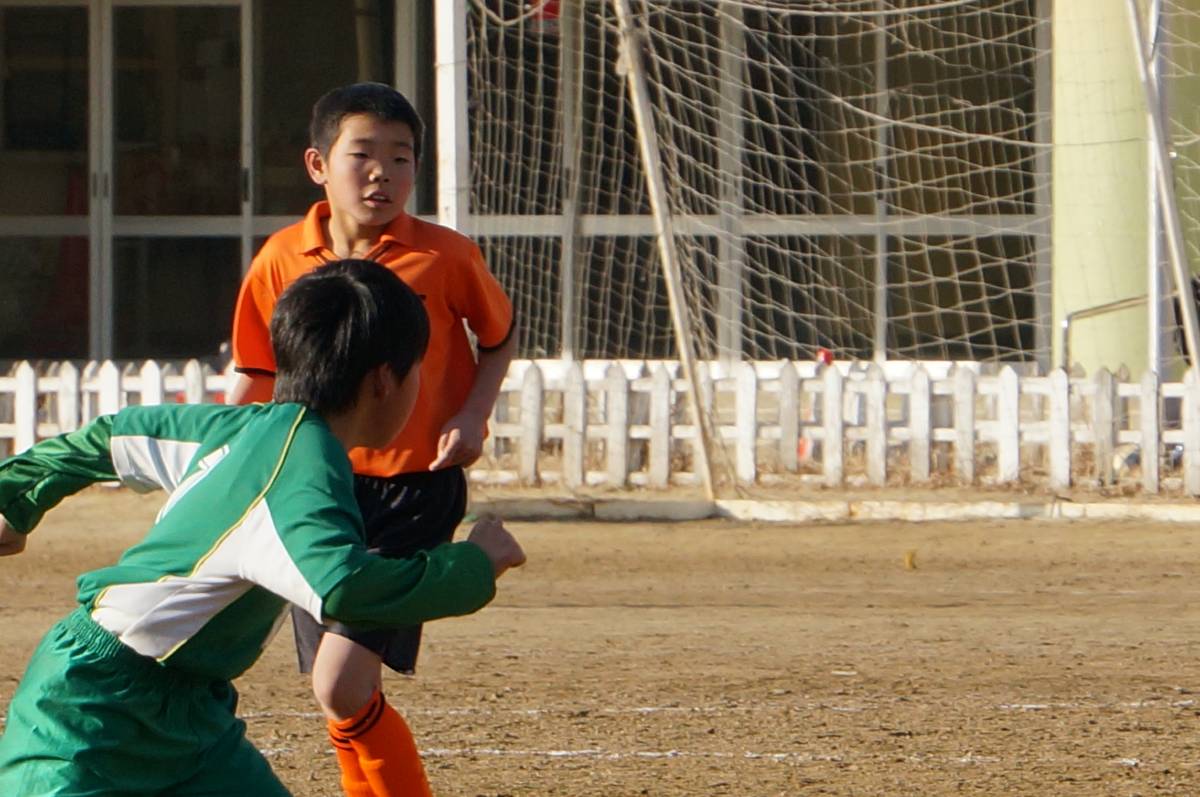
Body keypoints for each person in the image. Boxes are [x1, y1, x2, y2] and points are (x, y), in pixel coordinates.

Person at [0, 259, 526, 797]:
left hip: (190, 718)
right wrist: (473, 564)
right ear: (384, 381)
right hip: (92, 713)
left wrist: (12, 501)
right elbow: (344, 588)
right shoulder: (304, 469)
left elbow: (103, 438)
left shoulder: (235, 428)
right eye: (419, 370)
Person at [226, 83, 517, 793]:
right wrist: (226, 458)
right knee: (340, 691)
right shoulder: (280, 259)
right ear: (318, 164)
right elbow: (257, 373)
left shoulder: (446, 257)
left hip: (414, 489)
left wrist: (473, 414)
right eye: (362, 154)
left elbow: (498, 338)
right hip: (314, 489)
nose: (382, 172)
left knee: (340, 681)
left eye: (402, 156)